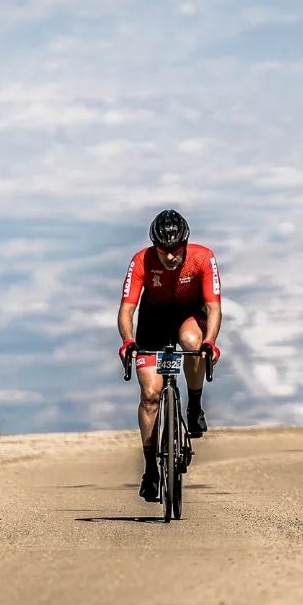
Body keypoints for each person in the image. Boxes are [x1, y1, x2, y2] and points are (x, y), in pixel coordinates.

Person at [117, 209, 222, 502]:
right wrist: (128, 341)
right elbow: (127, 309)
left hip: (188, 316)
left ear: (186, 244)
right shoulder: (141, 261)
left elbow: (213, 307)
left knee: (192, 342)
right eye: (164, 251)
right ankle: (150, 470)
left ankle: (194, 406)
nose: (171, 257)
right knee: (150, 395)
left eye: (177, 251)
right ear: (154, 246)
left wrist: (210, 341)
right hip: (152, 321)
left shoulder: (203, 258)